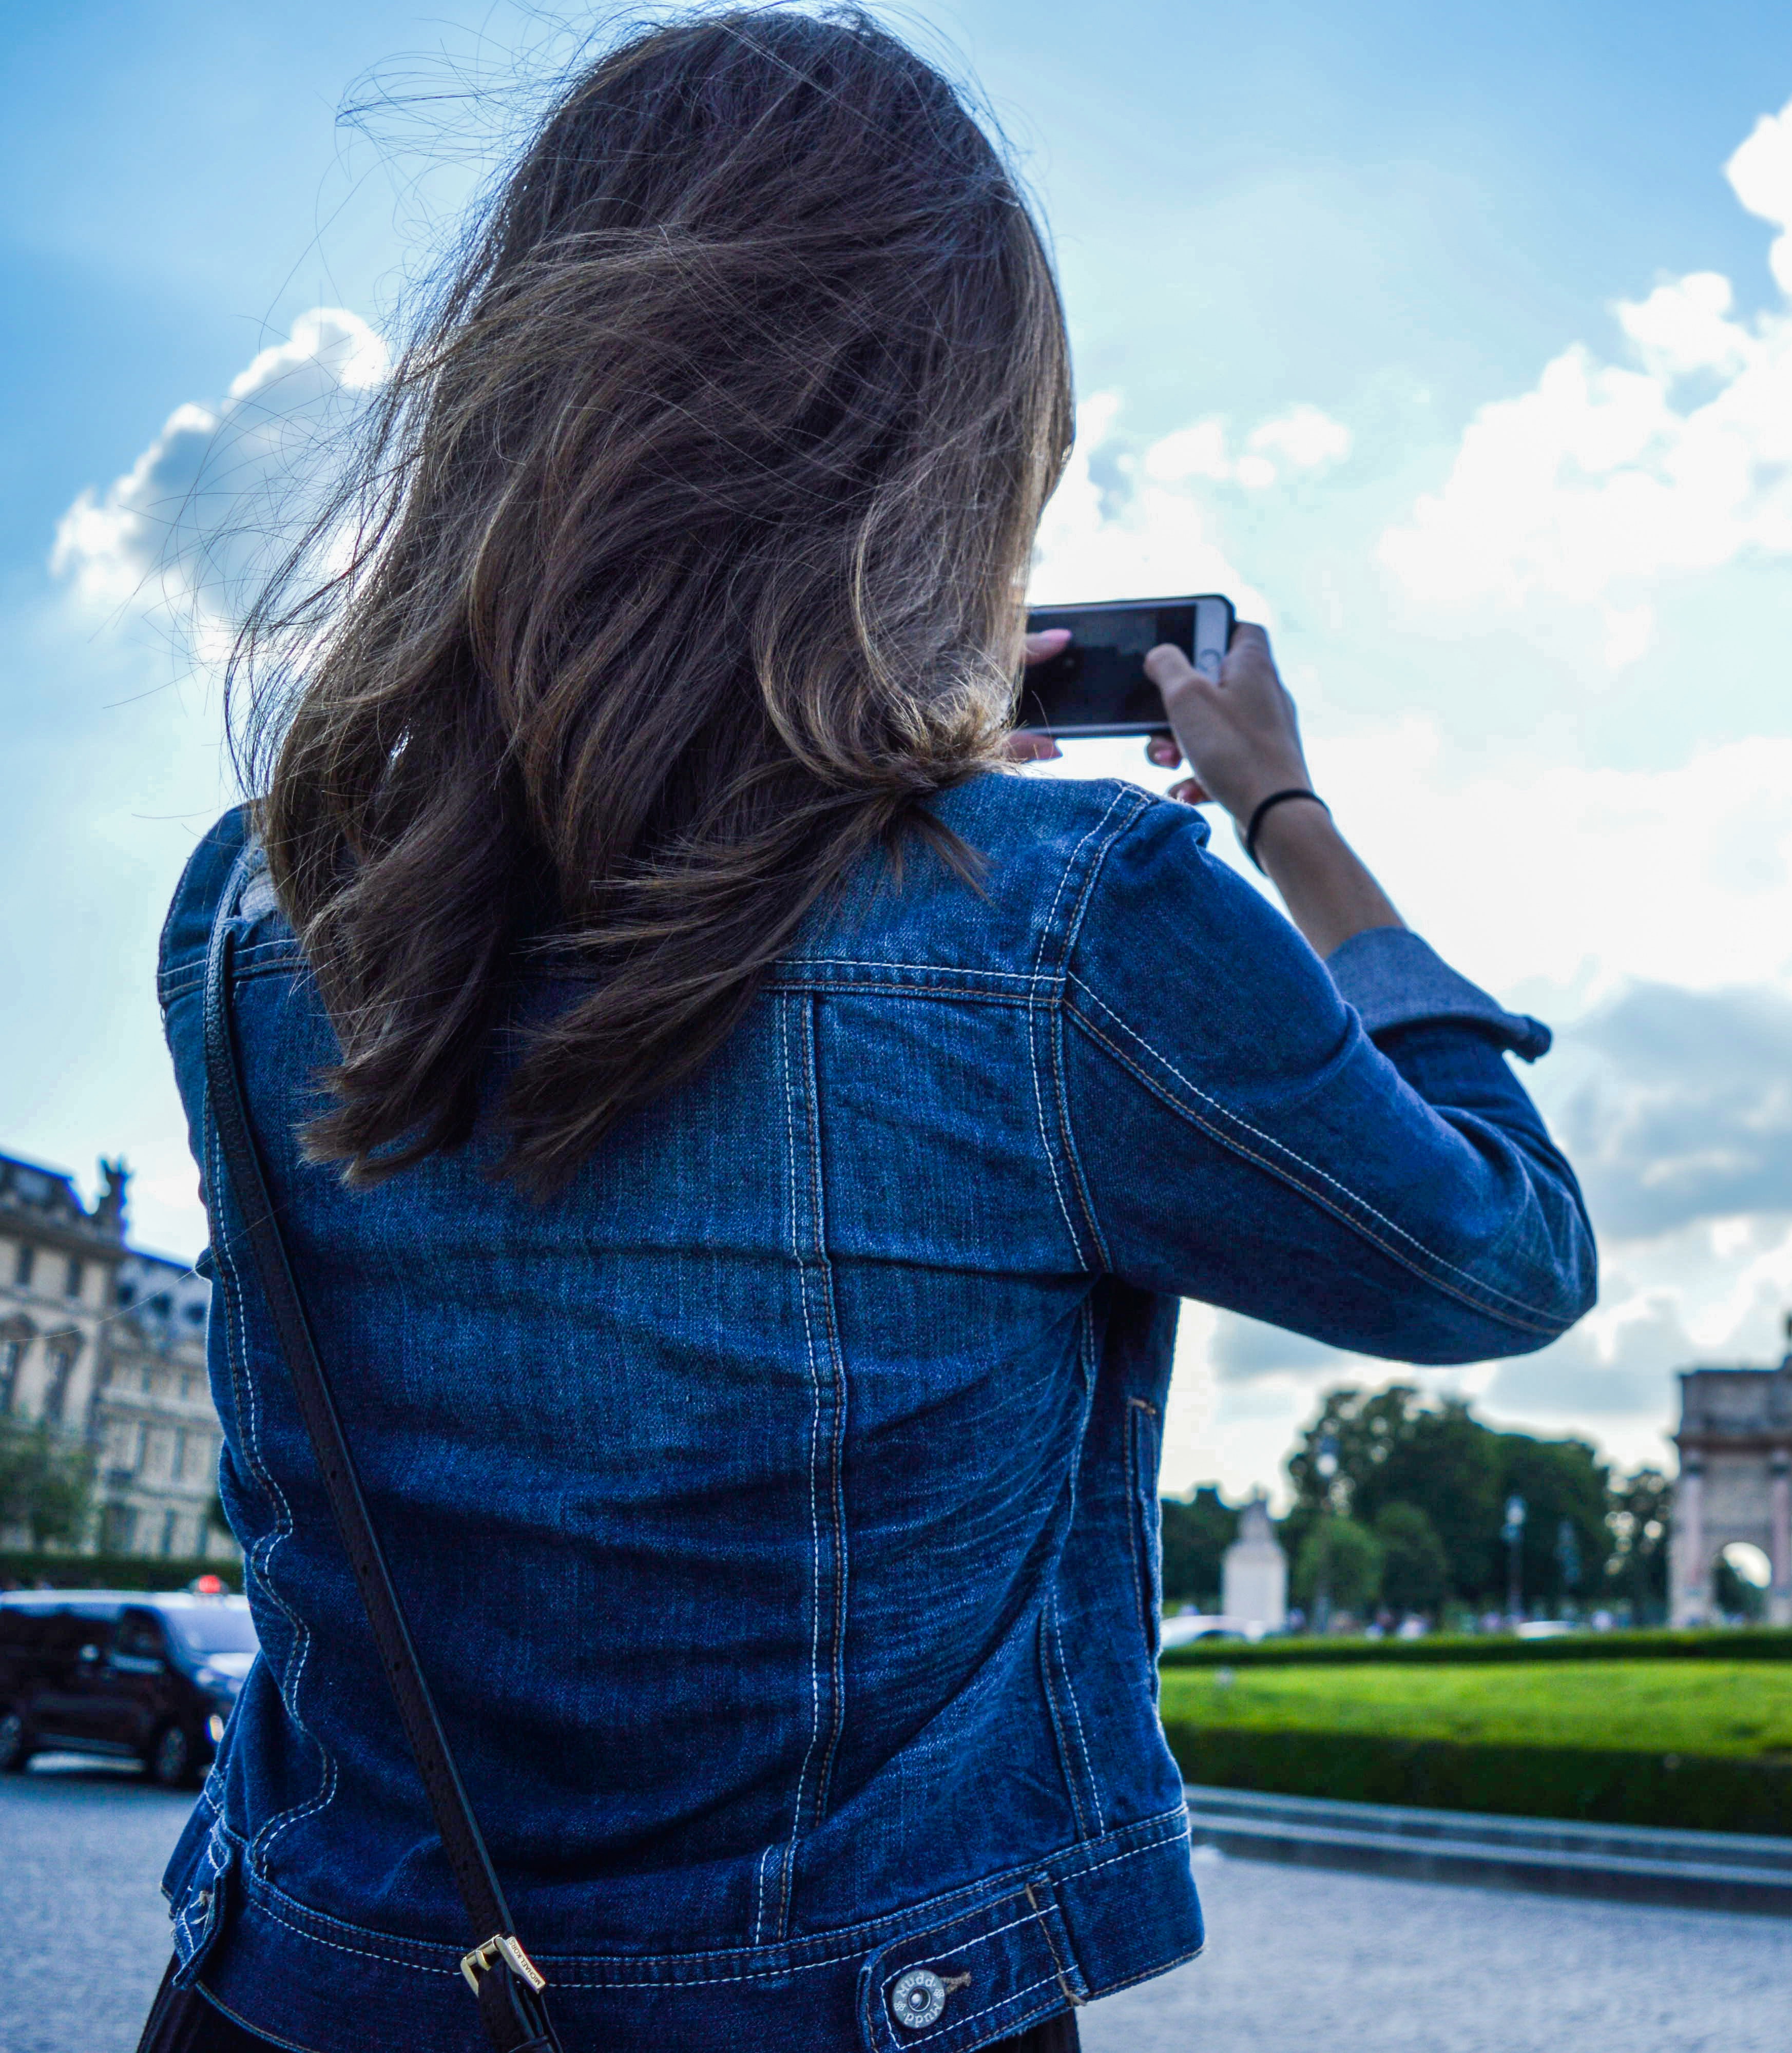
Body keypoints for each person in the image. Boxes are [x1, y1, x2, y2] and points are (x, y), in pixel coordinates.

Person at [144, 12, 1593, 2049]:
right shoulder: (1077, 920)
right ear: (954, 469)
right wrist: (1286, 818)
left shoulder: (254, 905)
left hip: (321, 1992)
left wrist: (861, 786)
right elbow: (1505, 1256)